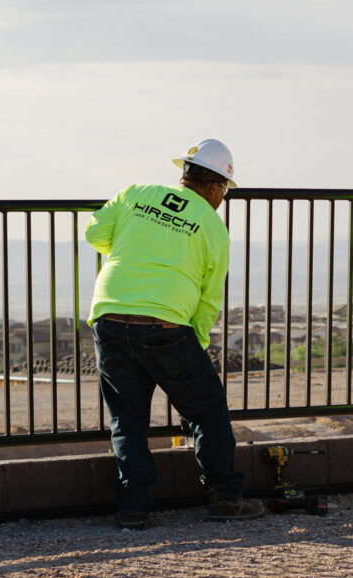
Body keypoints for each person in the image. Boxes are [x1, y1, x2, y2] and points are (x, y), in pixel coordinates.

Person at [85, 139, 264, 528]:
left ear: (184, 172)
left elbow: (94, 233)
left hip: (110, 315)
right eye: (225, 193)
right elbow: (208, 298)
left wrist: (133, 243)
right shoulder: (213, 227)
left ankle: (133, 508)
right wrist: (195, 347)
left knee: (127, 418)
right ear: (217, 187)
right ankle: (225, 496)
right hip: (167, 324)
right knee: (207, 410)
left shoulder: (135, 193)